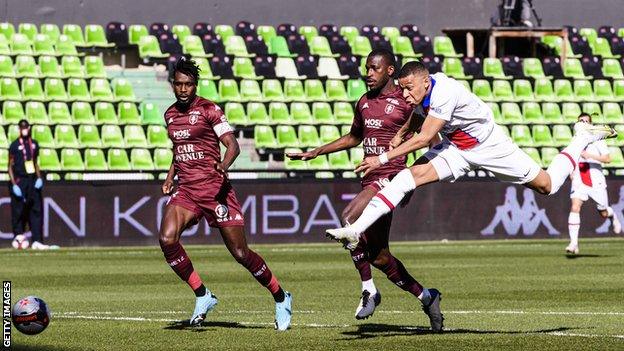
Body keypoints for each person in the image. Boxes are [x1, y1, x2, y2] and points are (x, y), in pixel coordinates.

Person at [326, 60, 616, 258]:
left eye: (408, 88)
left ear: (426, 82)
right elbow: (417, 116)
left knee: (548, 185)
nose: (404, 93)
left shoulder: (445, 93)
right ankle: (355, 230)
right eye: (400, 88)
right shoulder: (422, 93)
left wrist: (383, 158)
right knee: (404, 178)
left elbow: (426, 137)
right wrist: (402, 132)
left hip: (490, 146)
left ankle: (581, 136)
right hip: (458, 150)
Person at [287, 49, 443, 329]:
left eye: (374, 69)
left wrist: (414, 176)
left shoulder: (407, 100)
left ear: (390, 71)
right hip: (371, 180)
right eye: (367, 68)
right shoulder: (364, 102)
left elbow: (431, 139)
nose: (368, 74)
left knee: (349, 217)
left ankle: (369, 289)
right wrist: (317, 151)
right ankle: (427, 296)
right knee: (379, 256)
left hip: (393, 177)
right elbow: (355, 137)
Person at [159, 57, 292, 330]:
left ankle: (280, 296)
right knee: (166, 238)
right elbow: (178, 150)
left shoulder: (210, 110)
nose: (183, 89)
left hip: (216, 190)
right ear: (173, 85)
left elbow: (232, 145)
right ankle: (202, 294)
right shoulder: (170, 115)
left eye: (189, 85)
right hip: (187, 191)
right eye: (179, 85)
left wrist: (224, 164)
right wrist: (171, 176)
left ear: (195, 85)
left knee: (241, 254)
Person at [566, 113, 621, 254]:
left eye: (586, 121)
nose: (583, 123)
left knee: (603, 212)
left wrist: (589, 156)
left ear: (590, 124)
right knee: (575, 206)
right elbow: (571, 159)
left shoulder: (598, 140)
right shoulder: (575, 141)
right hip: (579, 179)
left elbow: (608, 159)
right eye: (581, 121)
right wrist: (571, 172)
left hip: (596, 180)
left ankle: (612, 215)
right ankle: (573, 243)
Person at [8, 119, 56, 250]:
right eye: (22, 127)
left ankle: (37, 240)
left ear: (29, 128)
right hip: (20, 180)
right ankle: (18, 236)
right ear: (19, 129)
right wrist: (14, 184)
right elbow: (10, 167)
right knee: (18, 210)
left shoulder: (34, 144)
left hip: (32, 181)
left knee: (36, 210)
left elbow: (35, 163)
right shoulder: (14, 145)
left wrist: (39, 178)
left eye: (26, 127)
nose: (24, 129)